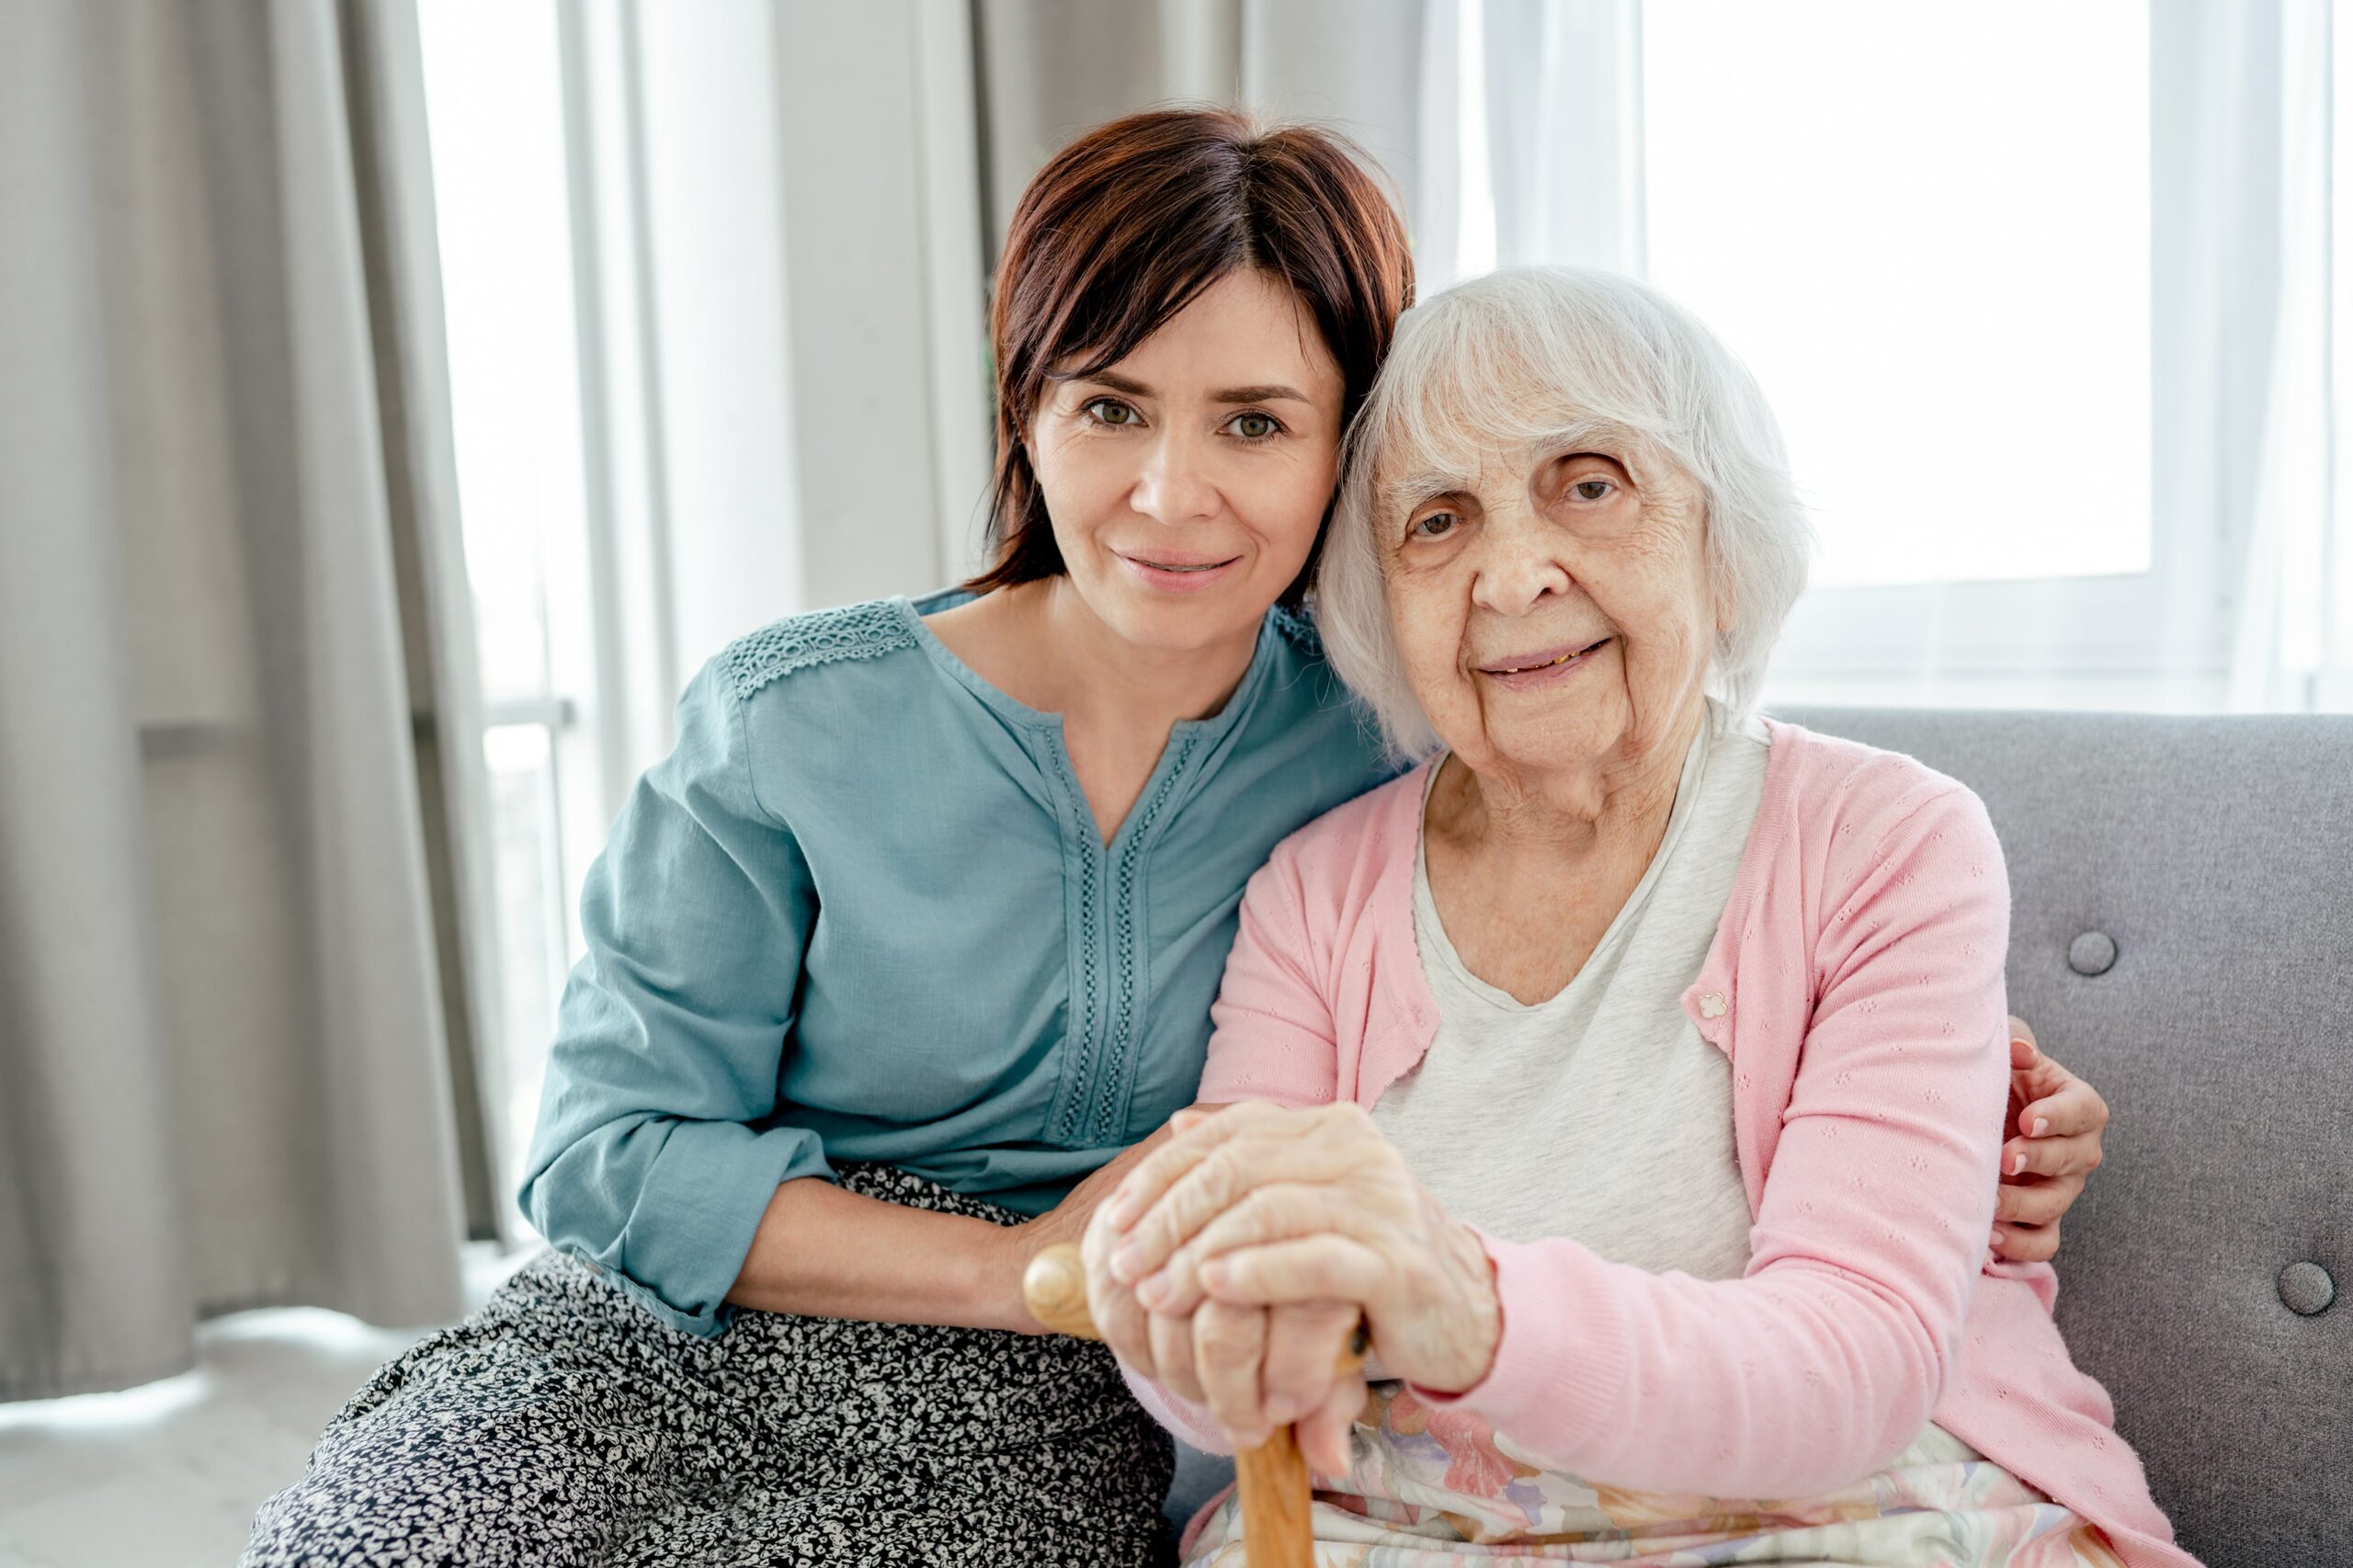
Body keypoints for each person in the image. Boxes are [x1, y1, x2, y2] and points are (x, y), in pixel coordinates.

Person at [243, 116, 2109, 1568]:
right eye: (1110, 408)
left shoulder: (1372, 720)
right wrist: (1031, 1263)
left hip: (1045, 1397)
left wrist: (1960, 1106)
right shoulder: (799, 721)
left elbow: (1714, 903)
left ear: (1332, 462)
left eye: (1253, 423)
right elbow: (604, 1154)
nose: (1168, 494)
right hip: (699, 1318)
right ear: (1028, 411)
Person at [1084, 267, 2183, 1567]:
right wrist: (1190, 1312)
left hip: (1859, 1503)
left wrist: (1463, 1298)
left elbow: (1855, 1360)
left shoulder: (1884, 838)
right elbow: (1220, 1374)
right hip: (1414, 1521)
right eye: (1436, 522)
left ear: (1720, 539)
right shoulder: (1313, 892)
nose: (1510, 574)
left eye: (1588, 483)